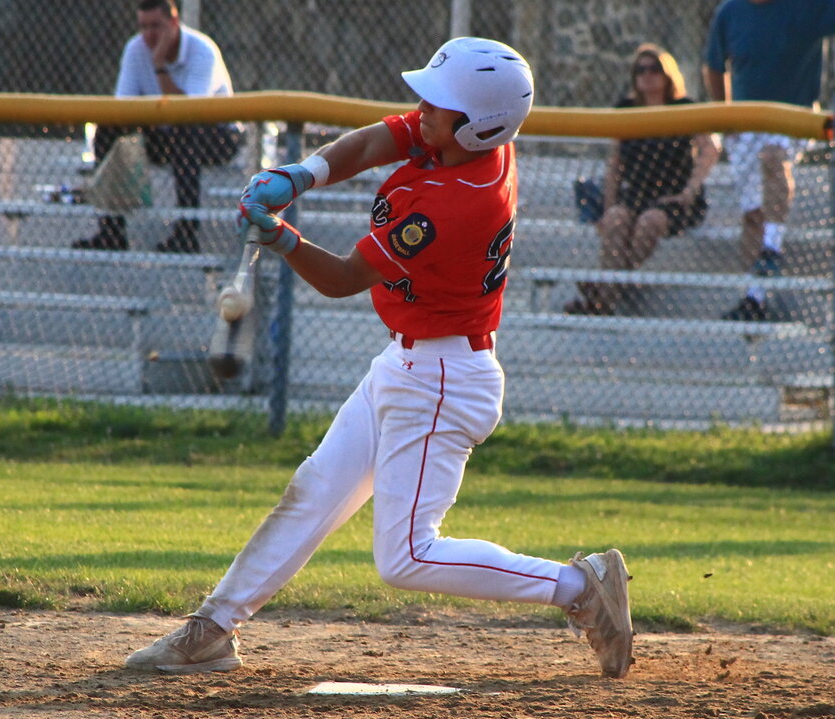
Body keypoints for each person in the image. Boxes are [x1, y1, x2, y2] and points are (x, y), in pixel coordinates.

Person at [124, 37, 634, 679]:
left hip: (445, 379)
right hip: (408, 364)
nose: (422, 109)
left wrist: (281, 236)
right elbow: (369, 144)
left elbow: (339, 278)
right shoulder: (464, 138)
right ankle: (213, 628)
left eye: (437, 104)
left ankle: (578, 585)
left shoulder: (456, 200)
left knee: (407, 557)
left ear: (479, 123)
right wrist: (299, 175)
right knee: (312, 492)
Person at [72, 0, 243, 253]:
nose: (149, 34)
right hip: (162, 132)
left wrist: (160, 65)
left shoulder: (203, 50)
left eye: (156, 26)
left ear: (174, 23)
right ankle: (111, 231)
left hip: (216, 137)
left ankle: (186, 233)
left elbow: (188, 113)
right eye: (143, 26)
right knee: (107, 128)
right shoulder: (135, 48)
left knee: (184, 132)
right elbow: (123, 109)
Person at [704, 0, 835, 321]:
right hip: (746, 124)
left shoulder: (807, 7)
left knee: (774, 157)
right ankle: (754, 298)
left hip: (793, 119)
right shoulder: (730, 12)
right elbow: (713, 66)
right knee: (752, 215)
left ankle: (772, 249)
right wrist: (725, 116)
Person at [565, 44, 719, 315]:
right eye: (641, 70)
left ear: (667, 74)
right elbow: (615, 163)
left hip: (672, 196)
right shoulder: (627, 108)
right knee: (616, 219)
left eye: (654, 69)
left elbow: (710, 148)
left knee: (650, 221)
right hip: (635, 193)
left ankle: (603, 292)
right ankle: (605, 297)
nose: (647, 75)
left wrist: (689, 191)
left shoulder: (683, 107)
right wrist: (608, 205)